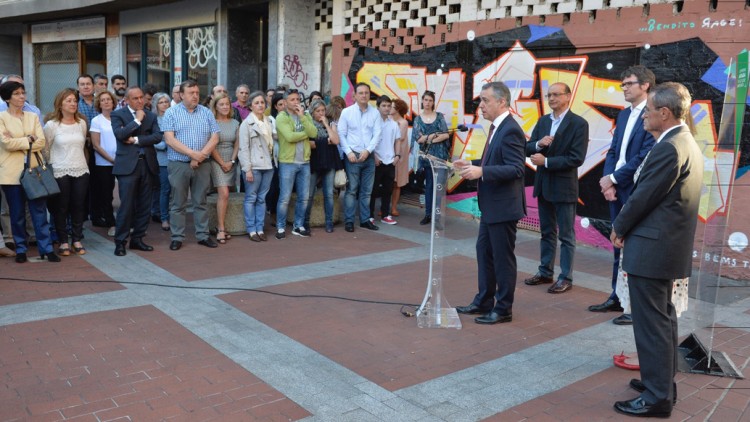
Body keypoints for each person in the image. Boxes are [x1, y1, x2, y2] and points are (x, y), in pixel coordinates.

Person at [611, 82, 703, 419]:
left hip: (653, 249)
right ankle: (660, 385)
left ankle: (656, 397)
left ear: (664, 114)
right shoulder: (683, 141)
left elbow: (644, 196)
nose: (644, 116)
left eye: (648, 111)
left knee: (652, 324)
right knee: (662, 322)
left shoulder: (669, 147)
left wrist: (619, 227)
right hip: (664, 248)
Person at [589, 65, 657, 325]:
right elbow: (614, 151)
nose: (624, 88)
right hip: (617, 189)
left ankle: (633, 304)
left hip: (635, 190)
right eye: (623, 84)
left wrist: (614, 178)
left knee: (634, 247)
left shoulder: (652, 115)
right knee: (617, 243)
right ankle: (617, 296)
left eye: (629, 83)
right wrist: (608, 182)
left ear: (645, 86)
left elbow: (644, 156)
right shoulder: (623, 115)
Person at [453, 81, 526, 324]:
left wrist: (481, 172)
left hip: (503, 207)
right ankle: (484, 300)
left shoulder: (510, 129)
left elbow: (515, 168)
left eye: (485, 100)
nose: (481, 106)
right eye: (480, 101)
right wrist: (471, 163)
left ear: (502, 102)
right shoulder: (497, 127)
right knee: (484, 253)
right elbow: (495, 159)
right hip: (491, 205)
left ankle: (503, 308)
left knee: (502, 258)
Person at [523, 82, 588, 294]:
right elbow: (528, 147)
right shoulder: (543, 121)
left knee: (566, 235)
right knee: (546, 232)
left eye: (556, 95)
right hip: (543, 185)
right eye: (549, 95)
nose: (551, 99)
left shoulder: (579, 124)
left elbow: (576, 158)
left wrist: (547, 162)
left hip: (564, 187)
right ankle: (545, 271)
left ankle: (566, 276)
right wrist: (539, 144)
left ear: (568, 97)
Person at [0, 81, 59, 263]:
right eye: (17, 93)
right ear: (8, 97)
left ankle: (46, 249)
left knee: (39, 213)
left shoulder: (32, 116)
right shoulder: (1, 117)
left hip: (34, 172)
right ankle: (21, 249)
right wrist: (28, 140)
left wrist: (19, 140)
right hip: (11, 174)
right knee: (16, 215)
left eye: (23, 93)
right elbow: (6, 143)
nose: (22, 96)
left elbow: (41, 142)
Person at [162, 80, 220, 251]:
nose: (195, 95)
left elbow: (215, 137)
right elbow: (169, 139)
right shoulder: (171, 113)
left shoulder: (206, 112)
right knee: (178, 203)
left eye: (197, 92)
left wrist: (200, 156)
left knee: (200, 201)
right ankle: (177, 237)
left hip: (202, 164)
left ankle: (202, 235)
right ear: (181, 95)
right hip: (179, 164)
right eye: (191, 93)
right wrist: (192, 154)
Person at [110, 86, 163, 256]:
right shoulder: (118, 114)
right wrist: (137, 121)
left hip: (147, 165)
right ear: (127, 100)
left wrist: (136, 140)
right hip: (127, 167)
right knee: (126, 206)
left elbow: (157, 137)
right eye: (135, 98)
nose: (140, 101)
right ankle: (120, 242)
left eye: (142, 97)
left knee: (144, 206)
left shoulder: (152, 115)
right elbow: (120, 134)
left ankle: (137, 239)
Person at [43, 88, 90, 257]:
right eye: (69, 100)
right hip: (59, 170)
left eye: (74, 101)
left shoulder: (81, 123)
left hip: (81, 169)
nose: (73, 103)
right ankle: (63, 241)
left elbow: (83, 145)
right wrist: (53, 165)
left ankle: (76, 239)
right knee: (61, 207)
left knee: (78, 206)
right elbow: (45, 150)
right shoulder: (51, 125)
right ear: (60, 103)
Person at [338, 82, 382, 232]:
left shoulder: (375, 112)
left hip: (368, 156)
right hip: (352, 156)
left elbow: (377, 134)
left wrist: (368, 151)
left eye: (366, 93)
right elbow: (341, 135)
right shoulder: (347, 112)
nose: (364, 95)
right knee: (351, 190)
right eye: (361, 93)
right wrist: (349, 152)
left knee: (366, 191)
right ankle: (349, 221)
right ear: (355, 95)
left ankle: (365, 220)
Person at [274, 89, 316, 239]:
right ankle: (280, 227)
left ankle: (298, 226)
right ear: (285, 102)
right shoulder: (281, 117)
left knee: (303, 197)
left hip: (304, 162)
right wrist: (306, 134)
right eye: (292, 100)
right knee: (284, 197)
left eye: (298, 99)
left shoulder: (305, 115)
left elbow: (315, 133)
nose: (296, 102)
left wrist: (302, 117)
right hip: (288, 162)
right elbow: (290, 137)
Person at [238, 91, 275, 241]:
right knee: (251, 198)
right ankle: (251, 229)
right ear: (251, 106)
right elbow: (243, 148)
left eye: (262, 102)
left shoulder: (269, 121)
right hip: (254, 166)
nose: (260, 105)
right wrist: (247, 168)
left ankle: (260, 228)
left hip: (268, 165)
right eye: (256, 103)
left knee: (262, 198)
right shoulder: (246, 124)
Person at [411, 90, 449, 226]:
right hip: (426, 157)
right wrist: (432, 135)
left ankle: (437, 216)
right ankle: (428, 214)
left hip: (439, 157)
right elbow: (418, 139)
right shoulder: (418, 119)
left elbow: (445, 134)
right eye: (425, 100)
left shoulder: (439, 117)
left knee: (438, 188)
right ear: (422, 101)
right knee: (429, 187)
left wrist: (430, 139)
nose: (427, 103)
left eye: (430, 100)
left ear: (433, 102)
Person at [304, 99, 342, 233]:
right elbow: (309, 144)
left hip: (329, 161)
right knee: (309, 194)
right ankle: (305, 222)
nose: (321, 113)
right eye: (318, 111)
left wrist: (326, 125)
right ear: (312, 112)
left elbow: (336, 140)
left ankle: (329, 222)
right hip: (313, 162)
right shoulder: (308, 123)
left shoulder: (330, 123)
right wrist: (326, 141)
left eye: (323, 110)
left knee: (329, 194)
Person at [209, 93, 240, 244]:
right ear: (215, 106)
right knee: (224, 193)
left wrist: (232, 161)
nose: (225, 107)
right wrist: (222, 163)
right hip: (216, 160)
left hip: (231, 161)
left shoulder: (235, 123)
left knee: (226, 194)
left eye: (227, 104)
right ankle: (221, 228)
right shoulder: (212, 122)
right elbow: (211, 145)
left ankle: (220, 225)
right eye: (221, 104)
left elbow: (237, 144)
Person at [89, 91, 118, 235]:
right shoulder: (96, 120)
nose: (106, 102)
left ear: (113, 102)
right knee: (107, 194)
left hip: (121, 161)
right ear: (99, 104)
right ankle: (110, 222)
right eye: (103, 100)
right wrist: (111, 159)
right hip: (104, 163)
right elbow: (96, 145)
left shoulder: (119, 118)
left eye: (108, 99)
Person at [370, 95, 399, 225]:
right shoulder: (372, 123)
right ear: (378, 107)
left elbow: (397, 140)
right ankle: (369, 215)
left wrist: (397, 156)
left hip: (390, 161)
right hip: (377, 160)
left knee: (388, 190)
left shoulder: (393, 124)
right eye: (384, 105)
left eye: (389, 106)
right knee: (373, 190)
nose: (387, 108)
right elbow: (368, 141)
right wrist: (374, 156)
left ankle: (385, 215)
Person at [151, 92, 172, 231]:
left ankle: (160, 212)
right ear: (156, 105)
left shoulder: (173, 117)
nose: (164, 104)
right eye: (161, 102)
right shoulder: (154, 119)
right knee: (164, 189)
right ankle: (163, 217)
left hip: (176, 157)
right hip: (161, 159)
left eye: (166, 101)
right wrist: (165, 144)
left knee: (170, 189)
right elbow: (153, 140)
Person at [264, 93, 286, 214]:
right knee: (274, 185)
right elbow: (274, 136)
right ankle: (271, 210)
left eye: (285, 104)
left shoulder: (291, 117)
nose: (283, 106)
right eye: (280, 104)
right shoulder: (271, 118)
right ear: (275, 106)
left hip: (288, 155)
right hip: (274, 155)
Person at [389, 98, 410, 217]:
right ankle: (385, 206)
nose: (389, 109)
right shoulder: (389, 120)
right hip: (389, 154)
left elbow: (400, 137)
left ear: (397, 110)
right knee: (388, 182)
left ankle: (394, 207)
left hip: (400, 156)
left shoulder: (403, 122)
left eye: (391, 107)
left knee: (397, 183)